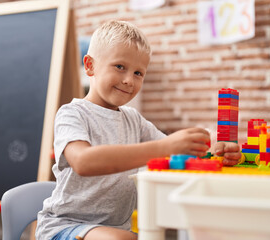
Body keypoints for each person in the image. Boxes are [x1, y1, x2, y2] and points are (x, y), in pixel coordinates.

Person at [36, 20, 241, 240]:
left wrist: (216, 150)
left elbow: (177, 154)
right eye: (120, 67)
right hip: (66, 227)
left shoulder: (133, 119)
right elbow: (84, 161)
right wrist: (165, 146)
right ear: (90, 65)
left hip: (116, 229)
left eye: (138, 73)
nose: (128, 80)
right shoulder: (72, 113)